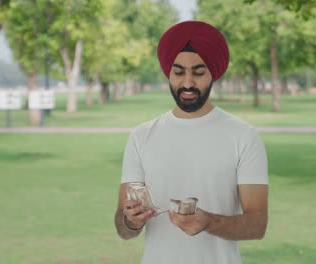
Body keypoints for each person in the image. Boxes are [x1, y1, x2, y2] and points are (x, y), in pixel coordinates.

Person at [114, 20, 269, 264]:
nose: (187, 83)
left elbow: (257, 225)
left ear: (213, 73)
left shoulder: (243, 136)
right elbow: (123, 229)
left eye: (198, 73)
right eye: (178, 72)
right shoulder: (141, 136)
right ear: (168, 72)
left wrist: (208, 222)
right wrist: (130, 221)